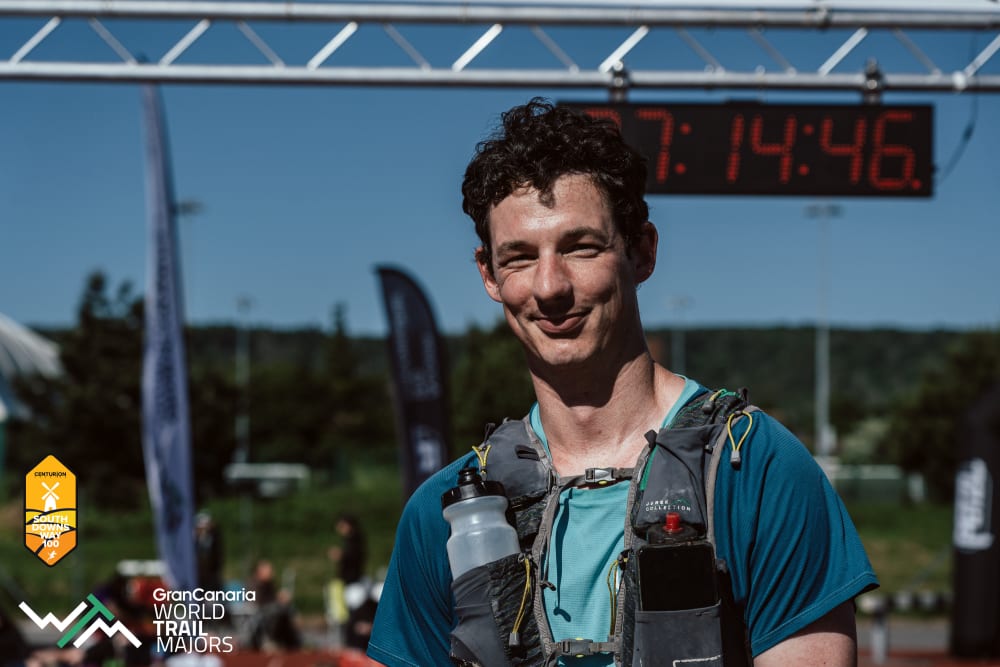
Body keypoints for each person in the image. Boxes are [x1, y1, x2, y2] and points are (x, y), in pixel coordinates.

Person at [367, 98, 878, 667]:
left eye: (580, 247)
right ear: (489, 274)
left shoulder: (755, 471)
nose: (550, 286)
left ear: (642, 252)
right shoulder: (442, 514)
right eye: (519, 257)